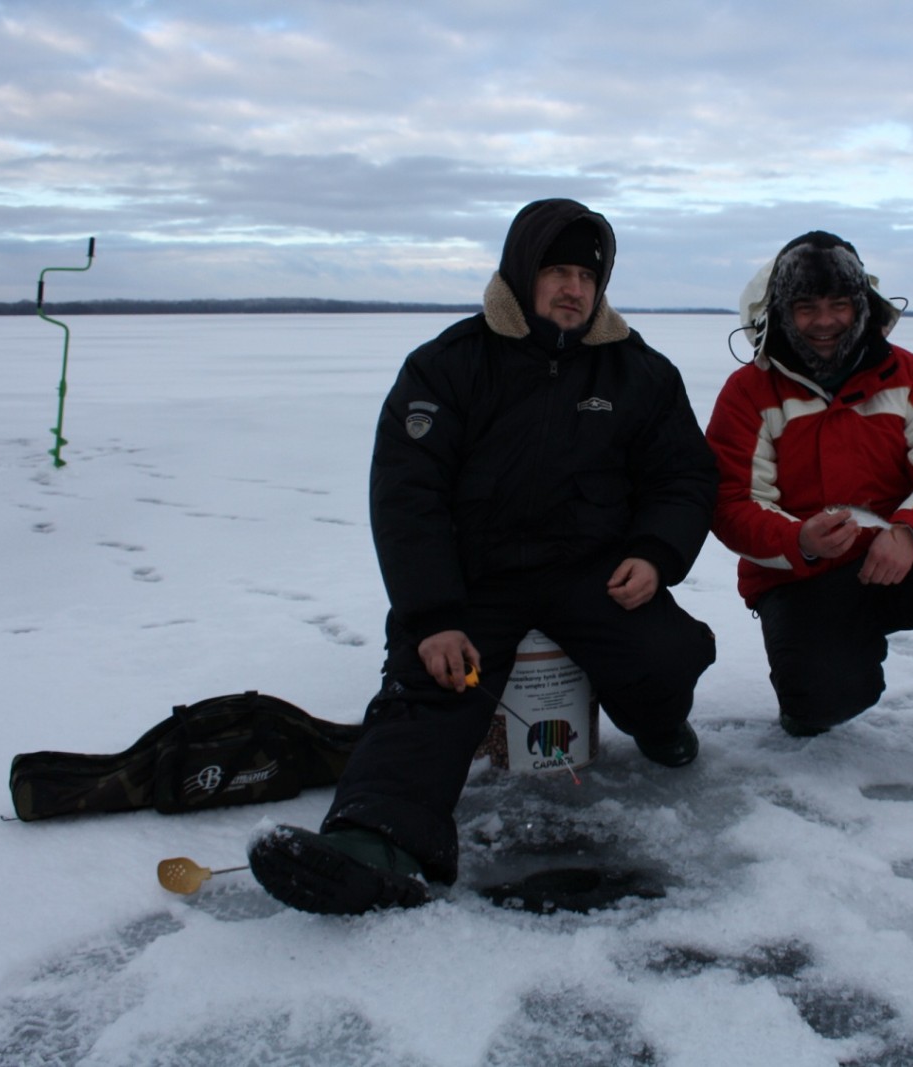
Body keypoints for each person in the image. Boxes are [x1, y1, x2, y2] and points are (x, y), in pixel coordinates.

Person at [250, 199, 719, 914]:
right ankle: (375, 840)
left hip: (590, 570)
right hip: (475, 580)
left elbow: (682, 477)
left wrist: (655, 554)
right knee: (436, 684)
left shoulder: (638, 372)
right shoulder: (448, 366)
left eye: (587, 277)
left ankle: (658, 725)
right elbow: (408, 495)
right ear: (522, 272)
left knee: (664, 654)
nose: (573, 289)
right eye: (557, 272)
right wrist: (432, 614)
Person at [704, 231, 913, 808]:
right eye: (806, 307)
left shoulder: (905, 374)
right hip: (804, 578)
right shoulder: (750, 392)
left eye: (839, 304)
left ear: (862, 306)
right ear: (781, 311)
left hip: (897, 562)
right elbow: (731, 503)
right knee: (825, 701)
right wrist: (800, 539)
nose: (824, 321)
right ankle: (807, 702)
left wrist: (909, 531)